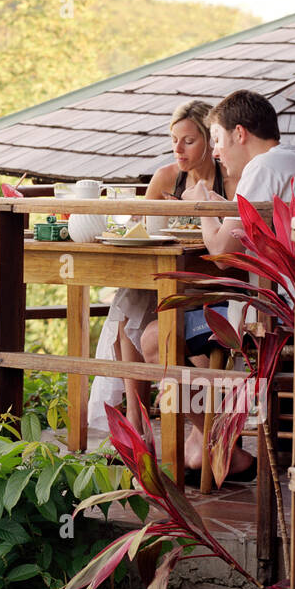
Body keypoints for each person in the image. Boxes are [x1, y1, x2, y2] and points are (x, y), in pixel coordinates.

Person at [139, 89, 295, 478]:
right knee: (195, 322)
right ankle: (208, 440)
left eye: (216, 139)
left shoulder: (260, 169)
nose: (216, 152)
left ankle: (219, 444)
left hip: (278, 312)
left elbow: (221, 248)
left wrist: (202, 205)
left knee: (152, 337)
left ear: (240, 133)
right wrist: (220, 205)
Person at [88, 100, 230, 437]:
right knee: (131, 302)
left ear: (210, 139)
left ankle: (142, 428)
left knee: (129, 312)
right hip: (167, 279)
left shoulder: (231, 179)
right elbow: (143, 228)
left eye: (189, 141)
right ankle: (138, 424)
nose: (178, 149)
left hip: (209, 283)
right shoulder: (167, 177)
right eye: (173, 140)